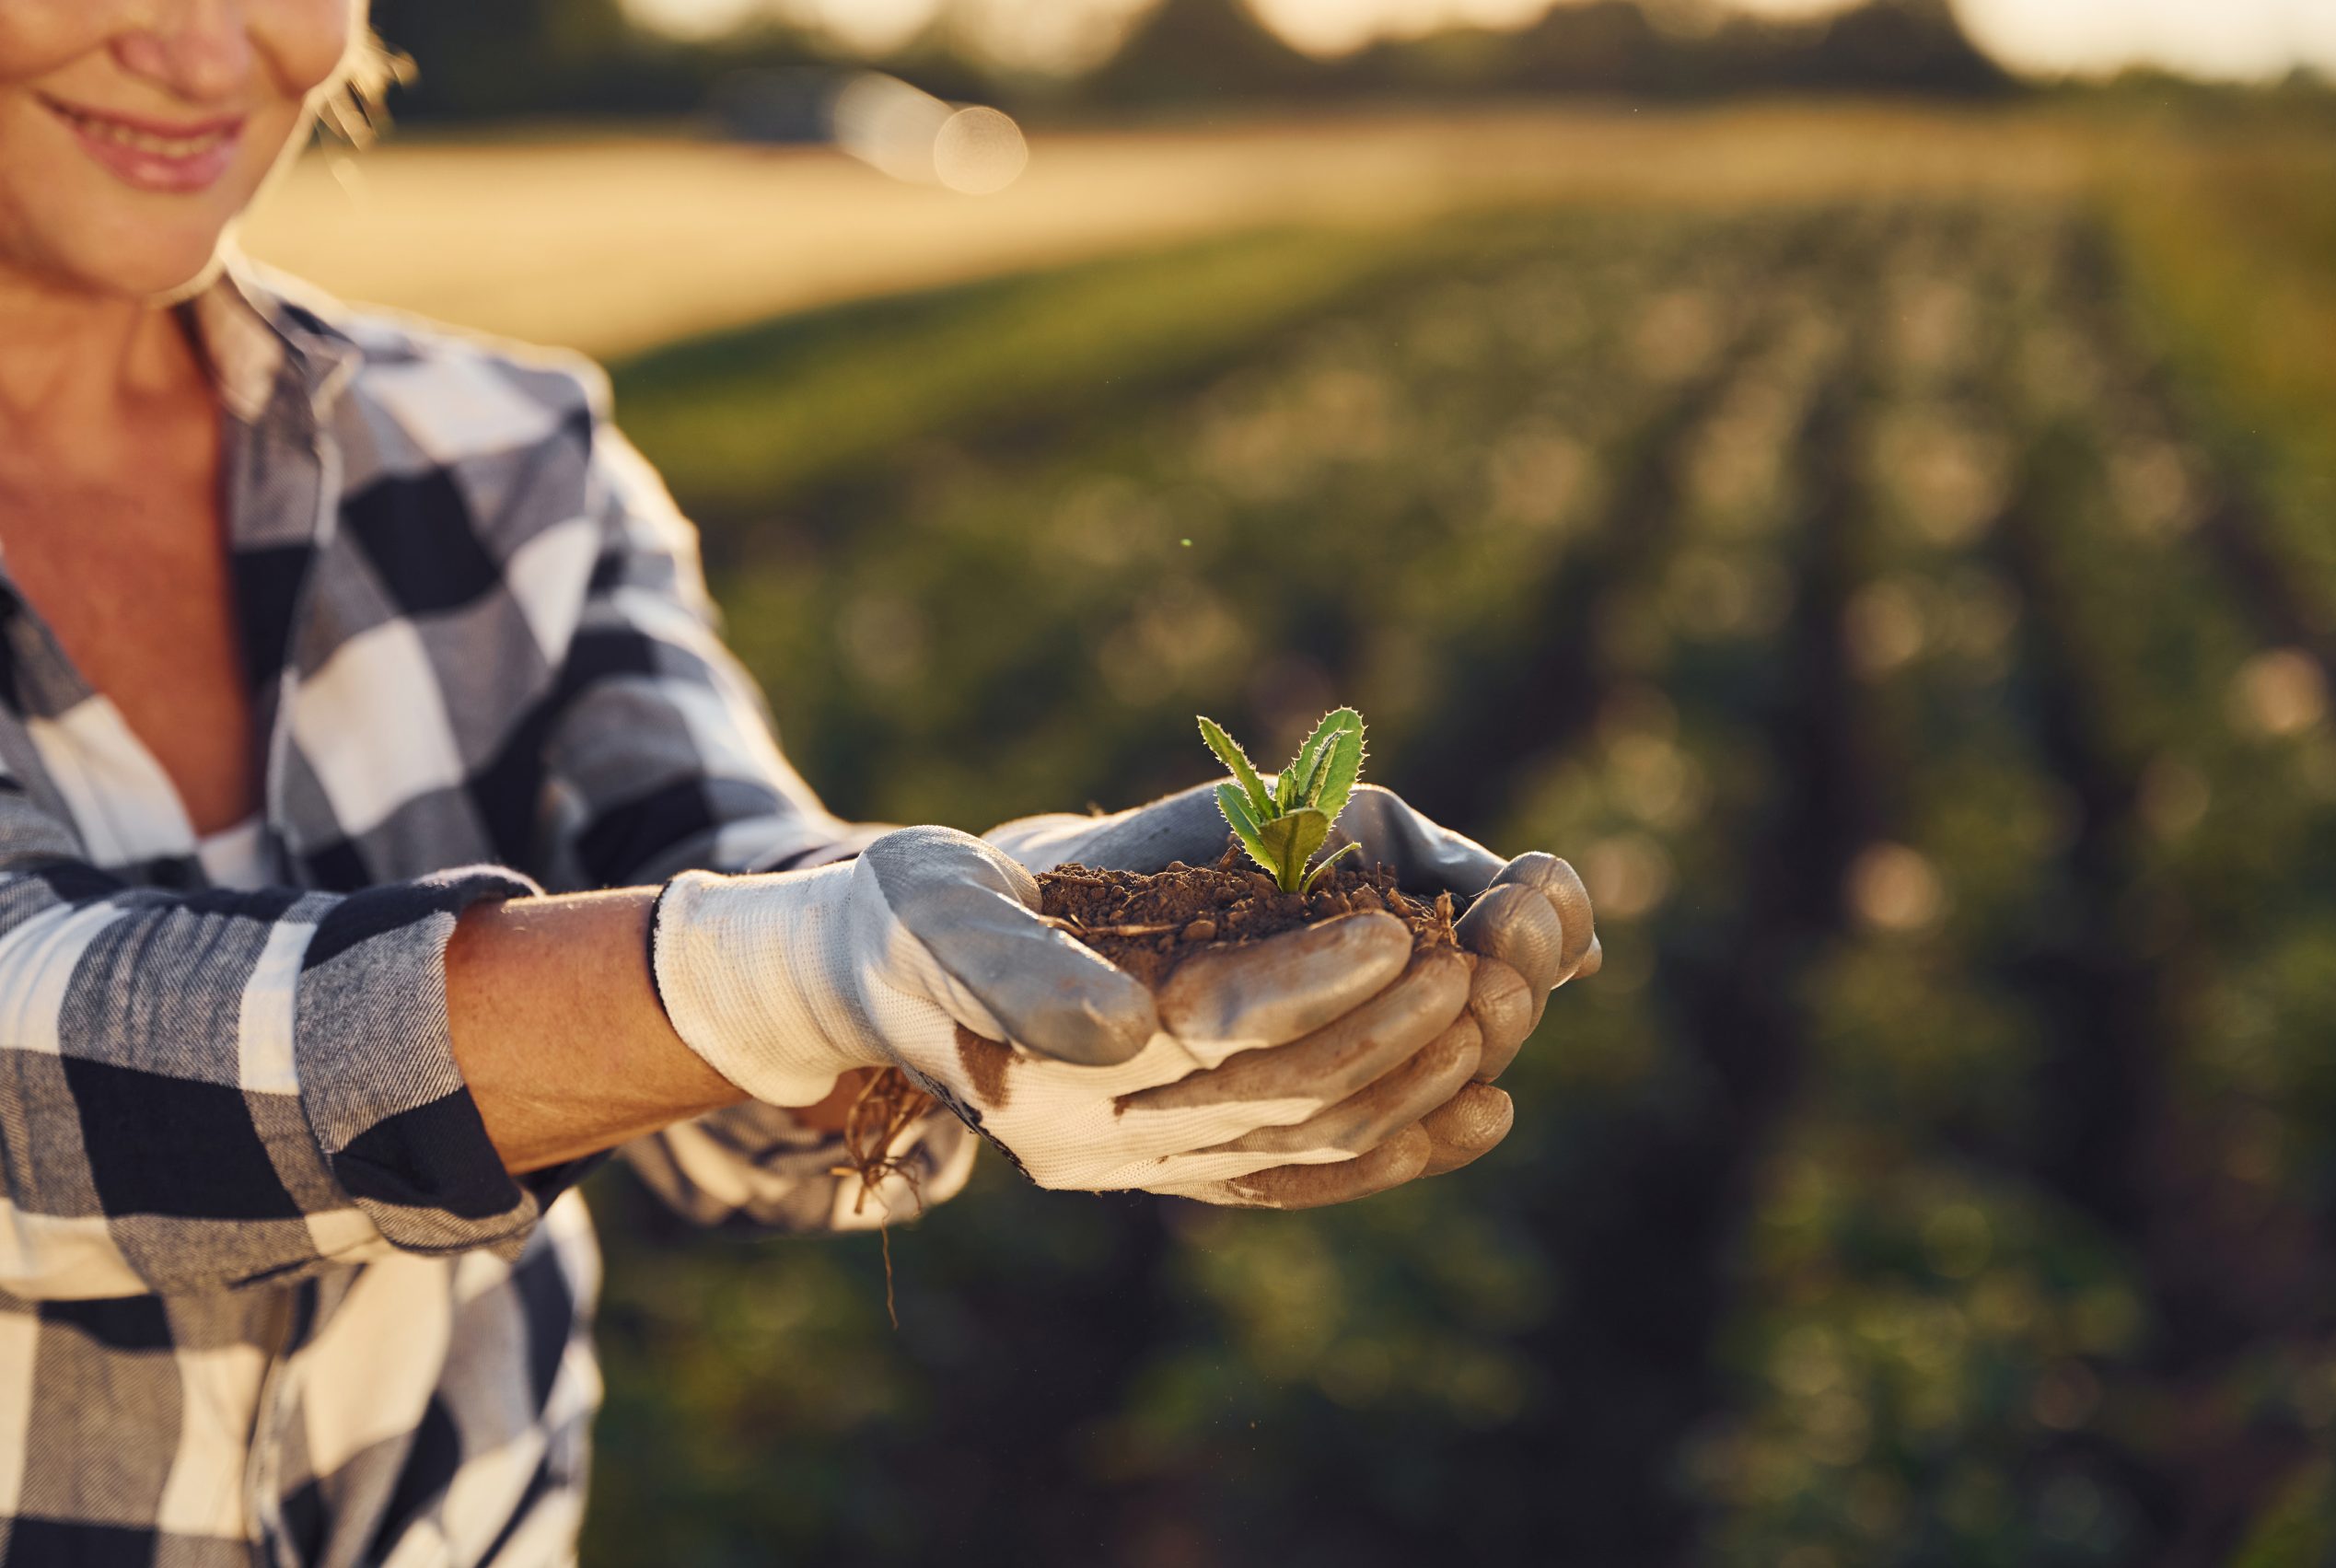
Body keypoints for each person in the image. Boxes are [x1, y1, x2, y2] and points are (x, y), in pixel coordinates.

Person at [0, 2, 1598, 1562]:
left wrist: (1021, 959)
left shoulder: (501, 455)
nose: (204, 47)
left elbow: (740, 911)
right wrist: (781, 970)